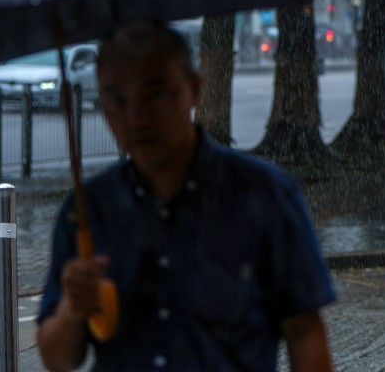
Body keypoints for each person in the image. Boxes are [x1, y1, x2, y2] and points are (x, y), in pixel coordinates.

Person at [36, 20, 336, 371]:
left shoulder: (266, 196)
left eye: (155, 92)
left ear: (194, 89)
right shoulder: (87, 212)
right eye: (116, 98)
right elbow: (57, 359)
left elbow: (304, 333)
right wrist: (73, 308)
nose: (135, 116)